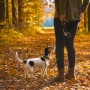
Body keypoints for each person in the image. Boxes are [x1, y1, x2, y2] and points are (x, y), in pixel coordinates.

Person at [54, 0, 89, 82]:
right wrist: (82, 11)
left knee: (60, 45)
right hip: (76, 15)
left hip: (62, 15)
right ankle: (71, 73)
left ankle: (61, 75)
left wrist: (62, 12)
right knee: (70, 44)